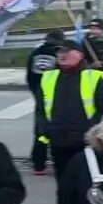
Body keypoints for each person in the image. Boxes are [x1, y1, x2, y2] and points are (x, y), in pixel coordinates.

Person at [40, 40, 103, 183]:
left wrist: (91, 132)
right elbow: (40, 109)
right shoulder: (49, 77)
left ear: (80, 55)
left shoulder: (94, 77)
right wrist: (45, 130)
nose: (62, 55)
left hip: (84, 141)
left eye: (67, 51)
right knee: (63, 183)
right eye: (59, 52)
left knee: (84, 182)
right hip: (58, 140)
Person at [27, 30, 66, 173]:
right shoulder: (59, 54)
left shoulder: (35, 53)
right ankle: (58, 162)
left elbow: (29, 76)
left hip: (40, 95)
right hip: (56, 97)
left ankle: (38, 164)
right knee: (58, 130)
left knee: (40, 131)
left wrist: (36, 92)